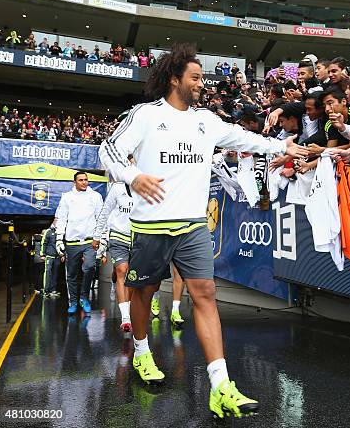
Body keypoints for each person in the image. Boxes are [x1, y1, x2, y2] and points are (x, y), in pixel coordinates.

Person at [99, 43, 307, 417]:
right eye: (194, 78)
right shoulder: (146, 115)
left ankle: (220, 385)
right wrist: (134, 175)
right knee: (142, 293)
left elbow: (244, 139)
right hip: (151, 225)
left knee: (205, 293)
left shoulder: (206, 120)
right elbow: (109, 149)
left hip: (193, 224)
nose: (201, 84)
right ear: (174, 78)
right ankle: (143, 353)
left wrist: (282, 146)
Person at [55, 171, 103, 315]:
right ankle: (73, 301)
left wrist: (102, 239)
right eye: (81, 180)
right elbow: (62, 218)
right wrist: (59, 238)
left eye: (86, 180)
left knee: (89, 268)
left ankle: (84, 298)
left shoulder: (95, 196)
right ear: (74, 182)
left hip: (89, 241)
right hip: (71, 242)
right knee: (71, 274)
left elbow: (101, 219)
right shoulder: (67, 198)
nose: (84, 182)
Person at [94, 179, 134, 332]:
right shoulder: (117, 189)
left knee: (132, 275)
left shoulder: (145, 186)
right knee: (122, 270)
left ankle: (127, 305)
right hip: (118, 237)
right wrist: (97, 236)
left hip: (138, 238)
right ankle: (125, 318)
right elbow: (105, 212)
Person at [39, 219, 62, 297]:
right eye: (56, 221)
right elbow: (43, 243)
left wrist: (63, 255)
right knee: (48, 272)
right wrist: (42, 254)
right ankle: (46, 290)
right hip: (49, 256)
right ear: (54, 222)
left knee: (55, 273)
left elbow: (63, 244)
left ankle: (53, 290)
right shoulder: (48, 231)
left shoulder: (61, 232)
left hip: (57, 256)